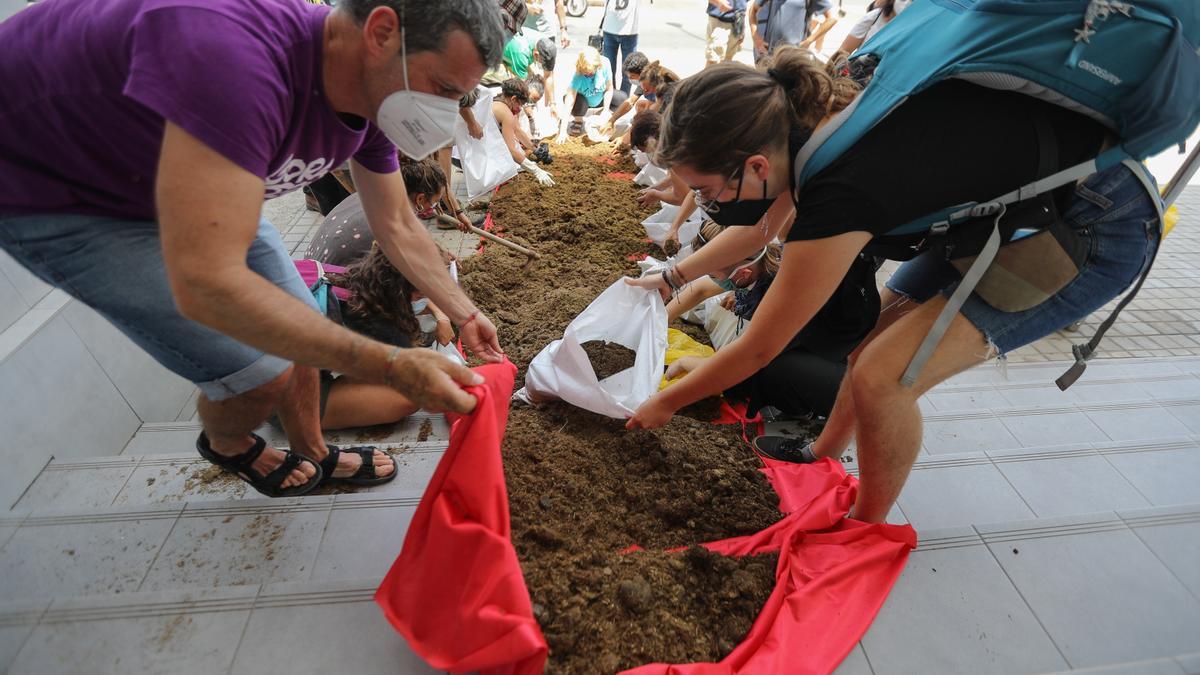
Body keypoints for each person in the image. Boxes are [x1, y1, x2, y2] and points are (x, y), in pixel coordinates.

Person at [626, 48, 1158, 525]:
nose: (703, 201)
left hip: (1091, 223)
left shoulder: (839, 185)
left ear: (756, 164)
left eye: (704, 189)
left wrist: (666, 404)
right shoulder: (802, 122)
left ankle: (863, 527)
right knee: (867, 346)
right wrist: (672, 276)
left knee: (885, 377)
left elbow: (762, 345)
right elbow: (760, 230)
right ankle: (823, 454)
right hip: (1006, 213)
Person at [0, 0, 508, 498]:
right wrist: (394, 366)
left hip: (176, 172)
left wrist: (463, 314)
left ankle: (313, 449)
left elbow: (396, 220)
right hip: (58, 192)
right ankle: (229, 443)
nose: (443, 115)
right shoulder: (233, 59)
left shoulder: (371, 96)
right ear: (380, 34)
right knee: (263, 369)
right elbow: (207, 283)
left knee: (302, 325)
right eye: (441, 88)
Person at [306, 157, 447, 265]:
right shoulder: (394, 224)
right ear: (420, 199)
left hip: (311, 275)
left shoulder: (367, 193)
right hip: (326, 293)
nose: (435, 206)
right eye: (435, 202)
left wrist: (435, 252)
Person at [494, 78, 556, 185]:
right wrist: (535, 170)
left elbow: (517, 130)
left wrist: (534, 149)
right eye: (520, 104)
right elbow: (510, 150)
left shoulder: (499, 100)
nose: (520, 108)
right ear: (513, 99)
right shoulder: (506, 113)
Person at [557, 47, 614, 142]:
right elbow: (569, 102)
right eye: (586, 74)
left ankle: (608, 122)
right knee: (576, 102)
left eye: (592, 73)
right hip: (583, 101)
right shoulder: (578, 75)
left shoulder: (605, 64)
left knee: (621, 98)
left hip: (599, 97)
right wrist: (562, 130)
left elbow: (609, 88)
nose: (589, 75)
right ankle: (578, 121)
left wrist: (606, 109)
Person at [837, 0, 910, 56]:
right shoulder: (873, 17)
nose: (907, 3)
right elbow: (844, 51)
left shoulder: (911, 28)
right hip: (861, 71)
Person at [600, 0, 642, 95]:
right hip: (612, 30)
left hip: (627, 32)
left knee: (628, 71)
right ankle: (613, 96)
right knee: (609, 69)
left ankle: (621, 98)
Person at [706, 0, 748, 67]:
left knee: (728, 61)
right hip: (719, 20)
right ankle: (708, 77)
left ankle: (722, 77)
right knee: (714, 59)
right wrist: (718, 2)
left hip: (737, 20)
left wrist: (742, 26)